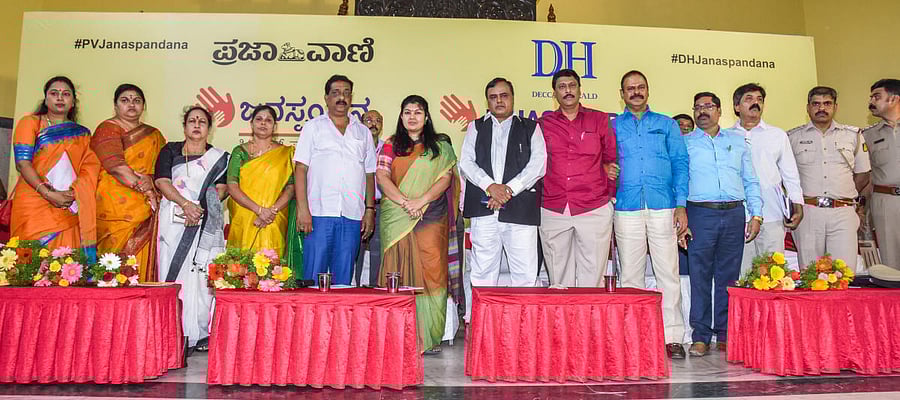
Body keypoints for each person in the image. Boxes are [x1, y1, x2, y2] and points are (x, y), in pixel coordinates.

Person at [613, 71, 689, 359]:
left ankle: (672, 337)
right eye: (630, 88)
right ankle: (633, 337)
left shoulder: (666, 124)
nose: (636, 92)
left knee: (667, 273)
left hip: (663, 206)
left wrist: (681, 204)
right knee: (630, 274)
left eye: (640, 87)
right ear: (622, 94)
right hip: (626, 206)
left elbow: (681, 163)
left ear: (648, 90)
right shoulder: (612, 126)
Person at [684, 92, 762, 357]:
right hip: (700, 214)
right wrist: (681, 215)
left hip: (733, 213)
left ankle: (726, 334)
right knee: (700, 277)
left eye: (708, 106)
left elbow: (750, 180)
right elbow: (680, 183)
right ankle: (701, 336)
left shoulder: (738, 142)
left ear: (719, 111)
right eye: (698, 107)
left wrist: (757, 214)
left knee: (729, 278)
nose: (702, 111)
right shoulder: (685, 144)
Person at [377, 95, 457, 353]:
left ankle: (428, 336)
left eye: (418, 112)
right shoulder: (390, 145)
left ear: (426, 117)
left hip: (430, 215)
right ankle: (397, 335)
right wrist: (405, 202)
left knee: (432, 270)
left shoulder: (439, 146)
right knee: (397, 270)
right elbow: (381, 176)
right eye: (407, 112)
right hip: (398, 213)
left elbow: (445, 179)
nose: (412, 117)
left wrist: (421, 200)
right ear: (401, 117)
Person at [460, 77, 546, 287]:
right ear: (487, 102)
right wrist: (490, 187)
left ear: (513, 98)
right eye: (493, 97)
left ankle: (523, 320)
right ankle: (482, 320)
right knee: (482, 274)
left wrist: (508, 190)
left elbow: (538, 164)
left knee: (525, 275)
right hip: (485, 211)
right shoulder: (476, 127)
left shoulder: (530, 127)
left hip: (520, 211)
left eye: (504, 95)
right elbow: (466, 162)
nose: (499, 101)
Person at [155, 106, 229, 350]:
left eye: (202, 122)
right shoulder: (170, 150)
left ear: (209, 128)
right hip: (173, 222)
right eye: (192, 121)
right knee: (173, 272)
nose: (196, 125)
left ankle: (200, 334)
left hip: (203, 222)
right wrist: (185, 204)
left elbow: (221, 189)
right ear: (184, 126)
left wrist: (199, 209)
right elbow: (162, 181)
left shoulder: (219, 158)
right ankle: (174, 332)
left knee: (201, 276)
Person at [538, 68, 618, 287]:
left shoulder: (599, 120)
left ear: (580, 89)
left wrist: (609, 196)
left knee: (592, 277)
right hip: (553, 207)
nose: (568, 91)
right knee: (558, 277)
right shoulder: (543, 125)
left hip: (593, 206)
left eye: (572, 85)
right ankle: (562, 322)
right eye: (562, 87)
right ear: (554, 93)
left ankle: (589, 322)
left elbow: (612, 159)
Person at [294, 75, 376, 285]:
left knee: (343, 279)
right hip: (319, 213)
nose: (342, 97)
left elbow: (369, 173)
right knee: (313, 276)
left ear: (351, 98)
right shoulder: (313, 127)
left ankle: (340, 319)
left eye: (347, 93)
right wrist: (303, 209)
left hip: (352, 215)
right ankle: (310, 318)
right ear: (326, 98)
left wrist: (369, 210)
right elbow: (301, 169)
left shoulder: (362, 131)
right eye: (336, 93)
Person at [11, 76, 100, 259]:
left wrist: (74, 193)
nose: (60, 98)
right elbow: (22, 163)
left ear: (73, 102)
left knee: (67, 268)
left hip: (69, 204)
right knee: (30, 265)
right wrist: (48, 193)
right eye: (54, 93)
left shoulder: (83, 134)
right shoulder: (31, 123)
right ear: (45, 99)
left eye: (66, 94)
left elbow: (89, 169)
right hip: (33, 200)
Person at [787, 86, 870, 273]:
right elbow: (787, 177)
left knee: (843, 274)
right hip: (808, 213)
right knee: (810, 274)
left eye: (827, 103)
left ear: (835, 107)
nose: (821, 108)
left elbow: (863, 173)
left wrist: (842, 197)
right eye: (816, 104)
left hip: (843, 213)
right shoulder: (792, 137)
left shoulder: (853, 136)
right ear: (807, 108)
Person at [92, 83, 166, 281]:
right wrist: (147, 190)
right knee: (112, 263)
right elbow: (115, 166)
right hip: (113, 204)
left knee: (143, 261)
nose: (131, 104)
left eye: (137, 100)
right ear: (116, 106)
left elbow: (162, 170)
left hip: (145, 207)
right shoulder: (107, 129)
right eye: (125, 100)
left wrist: (152, 183)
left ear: (144, 106)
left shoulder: (154, 135)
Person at [730, 83, 804, 275]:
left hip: (772, 214)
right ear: (737, 106)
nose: (755, 103)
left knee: (773, 274)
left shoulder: (777, 135)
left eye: (759, 100)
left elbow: (790, 174)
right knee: (743, 275)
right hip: (738, 216)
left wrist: (797, 204)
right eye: (749, 99)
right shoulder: (726, 137)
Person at [226, 105, 296, 263]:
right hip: (246, 216)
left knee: (272, 271)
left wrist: (271, 211)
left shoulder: (285, 154)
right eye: (259, 119)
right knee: (242, 268)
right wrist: (258, 210)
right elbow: (232, 185)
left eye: (268, 120)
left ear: (275, 126)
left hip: (274, 217)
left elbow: (290, 187)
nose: (263, 123)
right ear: (251, 124)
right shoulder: (240, 152)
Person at [862, 78, 900, 270]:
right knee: (891, 262)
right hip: (886, 201)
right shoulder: (868, 135)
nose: (871, 102)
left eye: (877, 96)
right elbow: (865, 173)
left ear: (893, 99)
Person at [354, 110, 385, 286]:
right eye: (369, 120)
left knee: (377, 250)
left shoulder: (388, 148)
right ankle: (355, 287)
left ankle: (375, 288)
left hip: (381, 206)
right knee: (356, 249)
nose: (373, 123)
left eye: (378, 120)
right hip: (357, 205)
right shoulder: (356, 146)